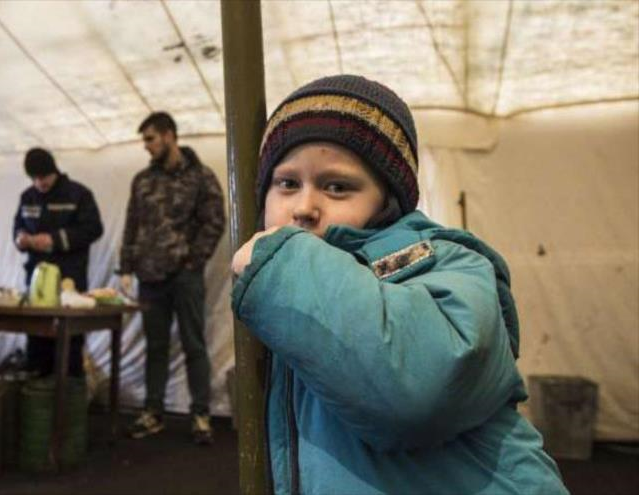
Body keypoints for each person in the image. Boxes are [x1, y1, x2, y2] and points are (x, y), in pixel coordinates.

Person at [230, 75, 567, 494]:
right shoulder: (286, 295)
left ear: (387, 201)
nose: (303, 208)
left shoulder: (449, 265)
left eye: (337, 187)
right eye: (287, 183)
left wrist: (282, 264)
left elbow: (414, 392)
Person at [119, 112, 225, 444]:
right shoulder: (142, 180)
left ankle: (201, 415)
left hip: (184, 277)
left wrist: (193, 260)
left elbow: (215, 221)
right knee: (156, 347)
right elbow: (132, 224)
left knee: (194, 345)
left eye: (150, 139)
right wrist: (125, 267)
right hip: (149, 278)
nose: (146, 146)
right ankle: (153, 413)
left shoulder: (201, 177)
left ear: (169, 136)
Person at [13, 147, 103, 377]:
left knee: (68, 346)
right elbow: (17, 227)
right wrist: (21, 239)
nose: (39, 182)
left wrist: (55, 240)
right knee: (37, 341)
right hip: (35, 281)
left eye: (43, 176)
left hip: (69, 281)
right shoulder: (27, 197)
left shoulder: (78, 194)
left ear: (53, 171)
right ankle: (37, 393)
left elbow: (93, 229)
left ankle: (68, 396)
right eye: (34, 178)